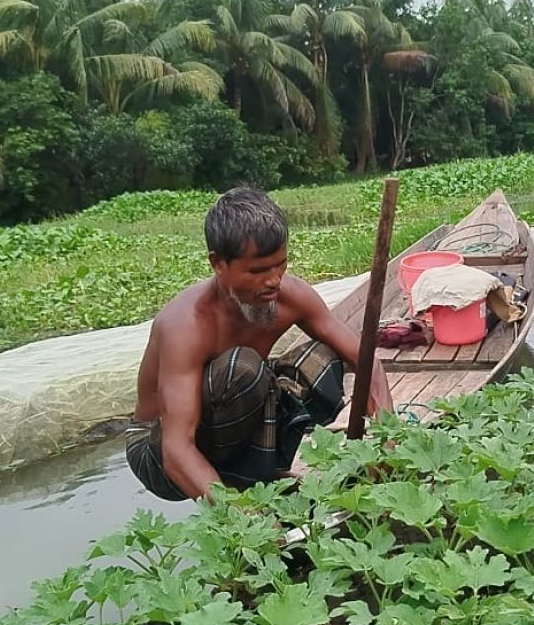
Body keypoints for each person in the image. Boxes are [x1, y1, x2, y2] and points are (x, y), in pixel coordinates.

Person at [126, 187, 395, 502]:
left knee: (323, 356)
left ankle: (259, 475)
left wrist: (386, 438)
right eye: (257, 271)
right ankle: (239, 489)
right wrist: (239, 515)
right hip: (158, 452)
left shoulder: (291, 295)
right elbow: (176, 449)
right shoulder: (186, 325)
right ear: (218, 264)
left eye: (280, 265)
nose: (274, 280)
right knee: (243, 368)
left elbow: (366, 361)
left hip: (223, 428)